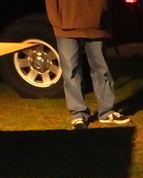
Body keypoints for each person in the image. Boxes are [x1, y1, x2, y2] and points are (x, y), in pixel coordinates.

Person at [45, 0, 131, 129]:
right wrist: (56, 21)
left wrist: (103, 14)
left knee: (101, 69)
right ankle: (78, 114)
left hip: (96, 23)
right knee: (71, 71)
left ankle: (107, 111)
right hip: (65, 25)